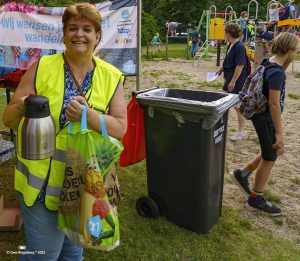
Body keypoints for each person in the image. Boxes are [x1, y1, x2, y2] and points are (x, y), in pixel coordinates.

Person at [2, 3, 127, 260]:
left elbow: (120, 128)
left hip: (82, 185)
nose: (79, 34)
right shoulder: (43, 66)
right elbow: (8, 116)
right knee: (44, 255)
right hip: (40, 184)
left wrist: (88, 116)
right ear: (64, 34)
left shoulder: (111, 76)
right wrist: (25, 108)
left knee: (72, 253)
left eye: (87, 29)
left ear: (98, 36)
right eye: (72, 28)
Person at [230, 32, 300, 216]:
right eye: (297, 50)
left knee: (269, 149)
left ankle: (243, 173)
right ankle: (256, 198)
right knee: (270, 156)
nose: (298, 53)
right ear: (291, 51)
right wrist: (279, 133)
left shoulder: (268, 63)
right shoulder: (277, 73)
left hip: (259, 115)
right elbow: (274, 104)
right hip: (266, 117)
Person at [216, 23, 248, 141]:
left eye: (225, 32)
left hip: (236, 80)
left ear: (228, 33)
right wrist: (222, 68)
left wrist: (233, 81)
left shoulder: (239, 46)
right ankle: (222, 127)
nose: (224, 34)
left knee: (237, 106)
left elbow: (240, 65)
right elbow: (230, 61)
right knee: (226, 103)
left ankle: (241, 132)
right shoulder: (231, 44)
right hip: (230, 78)